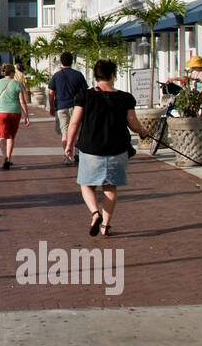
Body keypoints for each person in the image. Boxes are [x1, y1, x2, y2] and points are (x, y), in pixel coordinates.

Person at [63, 59, 147, 238]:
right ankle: (106, 225)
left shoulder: (84, 96)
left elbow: (74, 122)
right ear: (113, 75)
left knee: (86, 185)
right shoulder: (125, 98)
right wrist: (143, 132)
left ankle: (95, 214)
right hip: (117, 148)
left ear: (95, 75)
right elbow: (133, 123)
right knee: (110, 188)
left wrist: (69, 144)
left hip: (91, 147)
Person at [48, 52, 88, 165]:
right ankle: (77, 153)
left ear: (61, 61)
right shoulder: (78, 75)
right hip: (77, 107)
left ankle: (67, 155)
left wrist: (51, 106)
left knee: (65, 133)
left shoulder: (56, 76)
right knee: (77, 131)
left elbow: (51, 93)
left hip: (61, 107)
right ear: (72, 61)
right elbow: (85, 91)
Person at [0, 62, 30, 169]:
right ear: (12, 72)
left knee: (1, 136)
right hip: (15, 112)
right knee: (11, 136)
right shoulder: (17, 84)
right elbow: (22, 101)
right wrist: (26, 115)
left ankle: (4, 156)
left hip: (1, 112)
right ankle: (8, 157)